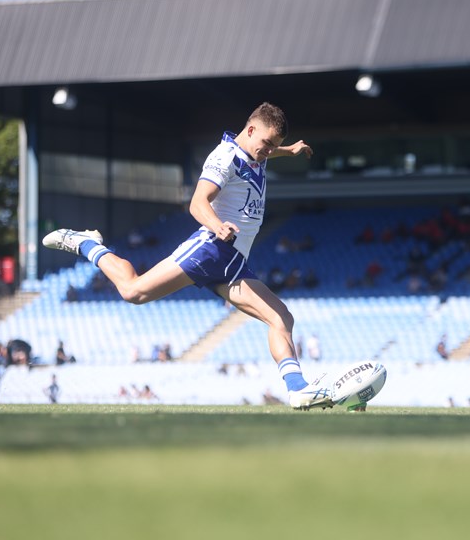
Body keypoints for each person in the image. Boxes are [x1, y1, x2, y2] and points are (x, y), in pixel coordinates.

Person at [42, 103, 330, 409]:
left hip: (233, 262)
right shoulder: (224, 157)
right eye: (267, 144)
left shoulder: (257, 152)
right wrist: (218, 226)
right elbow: (197, 203)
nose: (269, 151)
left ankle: (298, 390)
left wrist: (289, 150)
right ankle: (86, 244)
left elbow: (267, 150)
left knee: (281, 317)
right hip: (210, 249)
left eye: (274, 146)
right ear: (250, 130)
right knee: (133, 291)